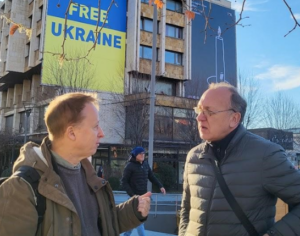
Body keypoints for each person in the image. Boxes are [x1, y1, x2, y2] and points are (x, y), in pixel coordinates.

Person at [0, 93, 151, 236]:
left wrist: (133, 210)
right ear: (71, 133)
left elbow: (100, 226)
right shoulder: (21, 188)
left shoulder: (90, 177)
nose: (101, 133)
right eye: (95, 126)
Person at [179, 82, 300, 236]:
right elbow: (186, 210)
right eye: (199, 109)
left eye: (209, 112)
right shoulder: (193, 157)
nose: (199, 117)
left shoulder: (265, 154)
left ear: (234, 118)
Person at [121, 146, 166, 236]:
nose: (142, 155)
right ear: (135, 155)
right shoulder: (130, 166)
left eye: (143, 153)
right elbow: (124, 182)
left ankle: (126, 235)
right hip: (133, 197)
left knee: (134, 220)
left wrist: (160, 186)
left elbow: (151, 176)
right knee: (139, 220)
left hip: (143, 196)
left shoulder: (145, 164)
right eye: (140, 153)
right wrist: (133, 195)